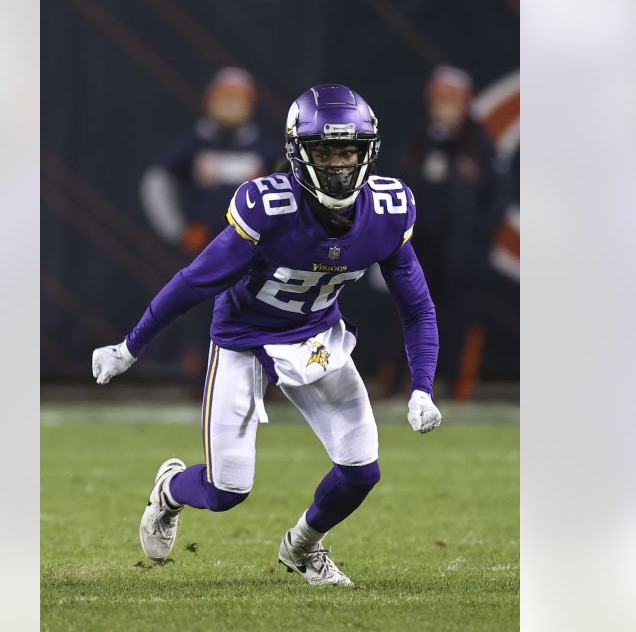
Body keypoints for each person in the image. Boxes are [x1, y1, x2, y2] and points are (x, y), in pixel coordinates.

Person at [92, 84, 442, 587]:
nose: (341, 165)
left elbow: (417, 305)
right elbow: (195, 282)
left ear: (369, 152)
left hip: (317, 338)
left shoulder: (389, 208)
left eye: (349, 151)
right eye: (326, 152)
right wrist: (130, 346)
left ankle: (303, 547)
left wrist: (423, 386)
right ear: (300, 155)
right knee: (226, 490)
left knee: (363, 471)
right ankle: (169, 489)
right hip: (245, 340)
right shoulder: (269, 205)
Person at [139, 67, 278, 383]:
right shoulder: (192, 145)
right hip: (208, 249)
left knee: (261, 309)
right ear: (209, 100)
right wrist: (178, 230)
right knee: (202, 313)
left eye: (237, 97)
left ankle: (262, 375)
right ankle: (200, 375)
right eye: (224, 96)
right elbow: (156, 184)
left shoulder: (266, 151)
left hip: (256, 252)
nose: (230, 105)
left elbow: (294, 191)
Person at [396, 65, 500, 398]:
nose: (445, 107)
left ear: (465, 103)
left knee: (459, 315)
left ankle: (458, 385)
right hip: (419, 249)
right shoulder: (416, 144)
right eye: (439, 99)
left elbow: (496, 200)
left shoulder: (481, 147)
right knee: (410, 310)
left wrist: (477, 240)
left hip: (461, 253)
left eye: (452, 100)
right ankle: (403, 381)